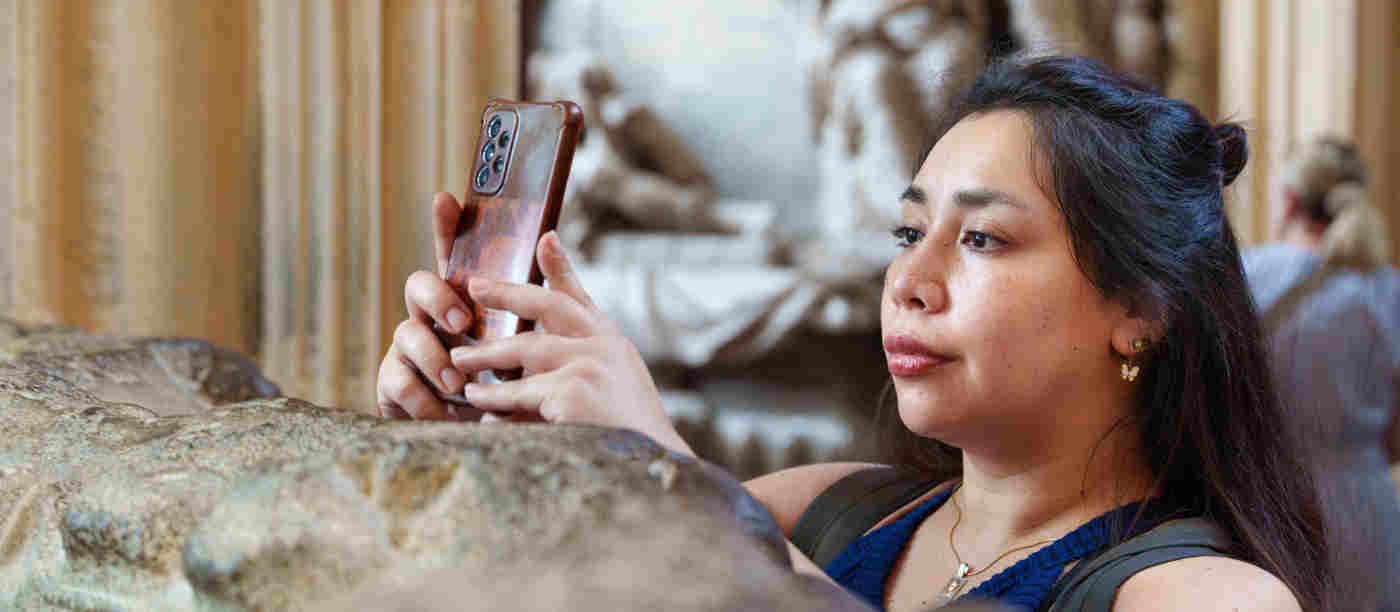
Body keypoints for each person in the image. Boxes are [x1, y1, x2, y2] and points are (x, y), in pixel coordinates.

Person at [375, 56, 1327, 611]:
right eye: (908, 233)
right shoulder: (822, 511)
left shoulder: (1209, 598)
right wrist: (473, 439)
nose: (908, 282)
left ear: (1143, 313)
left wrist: (663, 462)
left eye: (983, 238)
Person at [1244, 138, 1400, 611]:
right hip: (1368, 512)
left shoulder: (1251, 275)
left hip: (1273, 505)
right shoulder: (1387, 290)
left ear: (1289, 200)